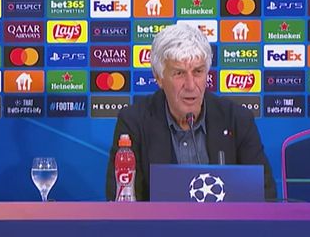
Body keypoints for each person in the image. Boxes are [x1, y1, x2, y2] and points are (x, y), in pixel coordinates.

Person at [106, 23, 276, 201]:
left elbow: (265, 196)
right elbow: (123, 202)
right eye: (179, 73)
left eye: (198, 72)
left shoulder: (236, 120)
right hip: (159, 220)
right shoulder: (134, 123)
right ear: (158, 77)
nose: (190, 85)